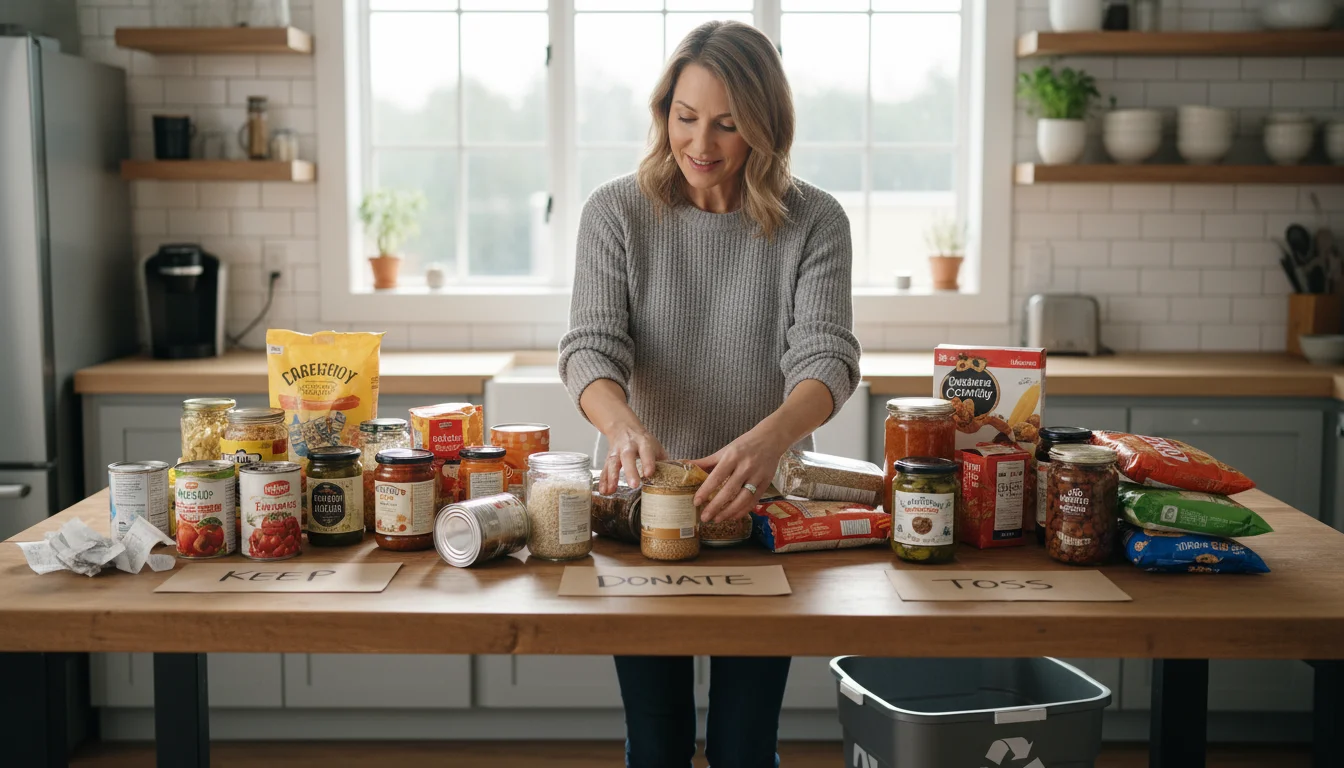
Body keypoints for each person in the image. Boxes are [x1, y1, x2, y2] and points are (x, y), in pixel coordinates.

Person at [558, 19, 861, 768]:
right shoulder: (615, 213)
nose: (700, 143)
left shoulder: (815, 220)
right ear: (663, 112)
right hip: (642, 510)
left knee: (744, 745)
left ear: (766, 125)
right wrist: (625, 428)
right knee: (655, 742)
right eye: (684, 117)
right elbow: (590, 349)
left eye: (726, 124)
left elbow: (827, 356)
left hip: (762, 509)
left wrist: (771, 440)